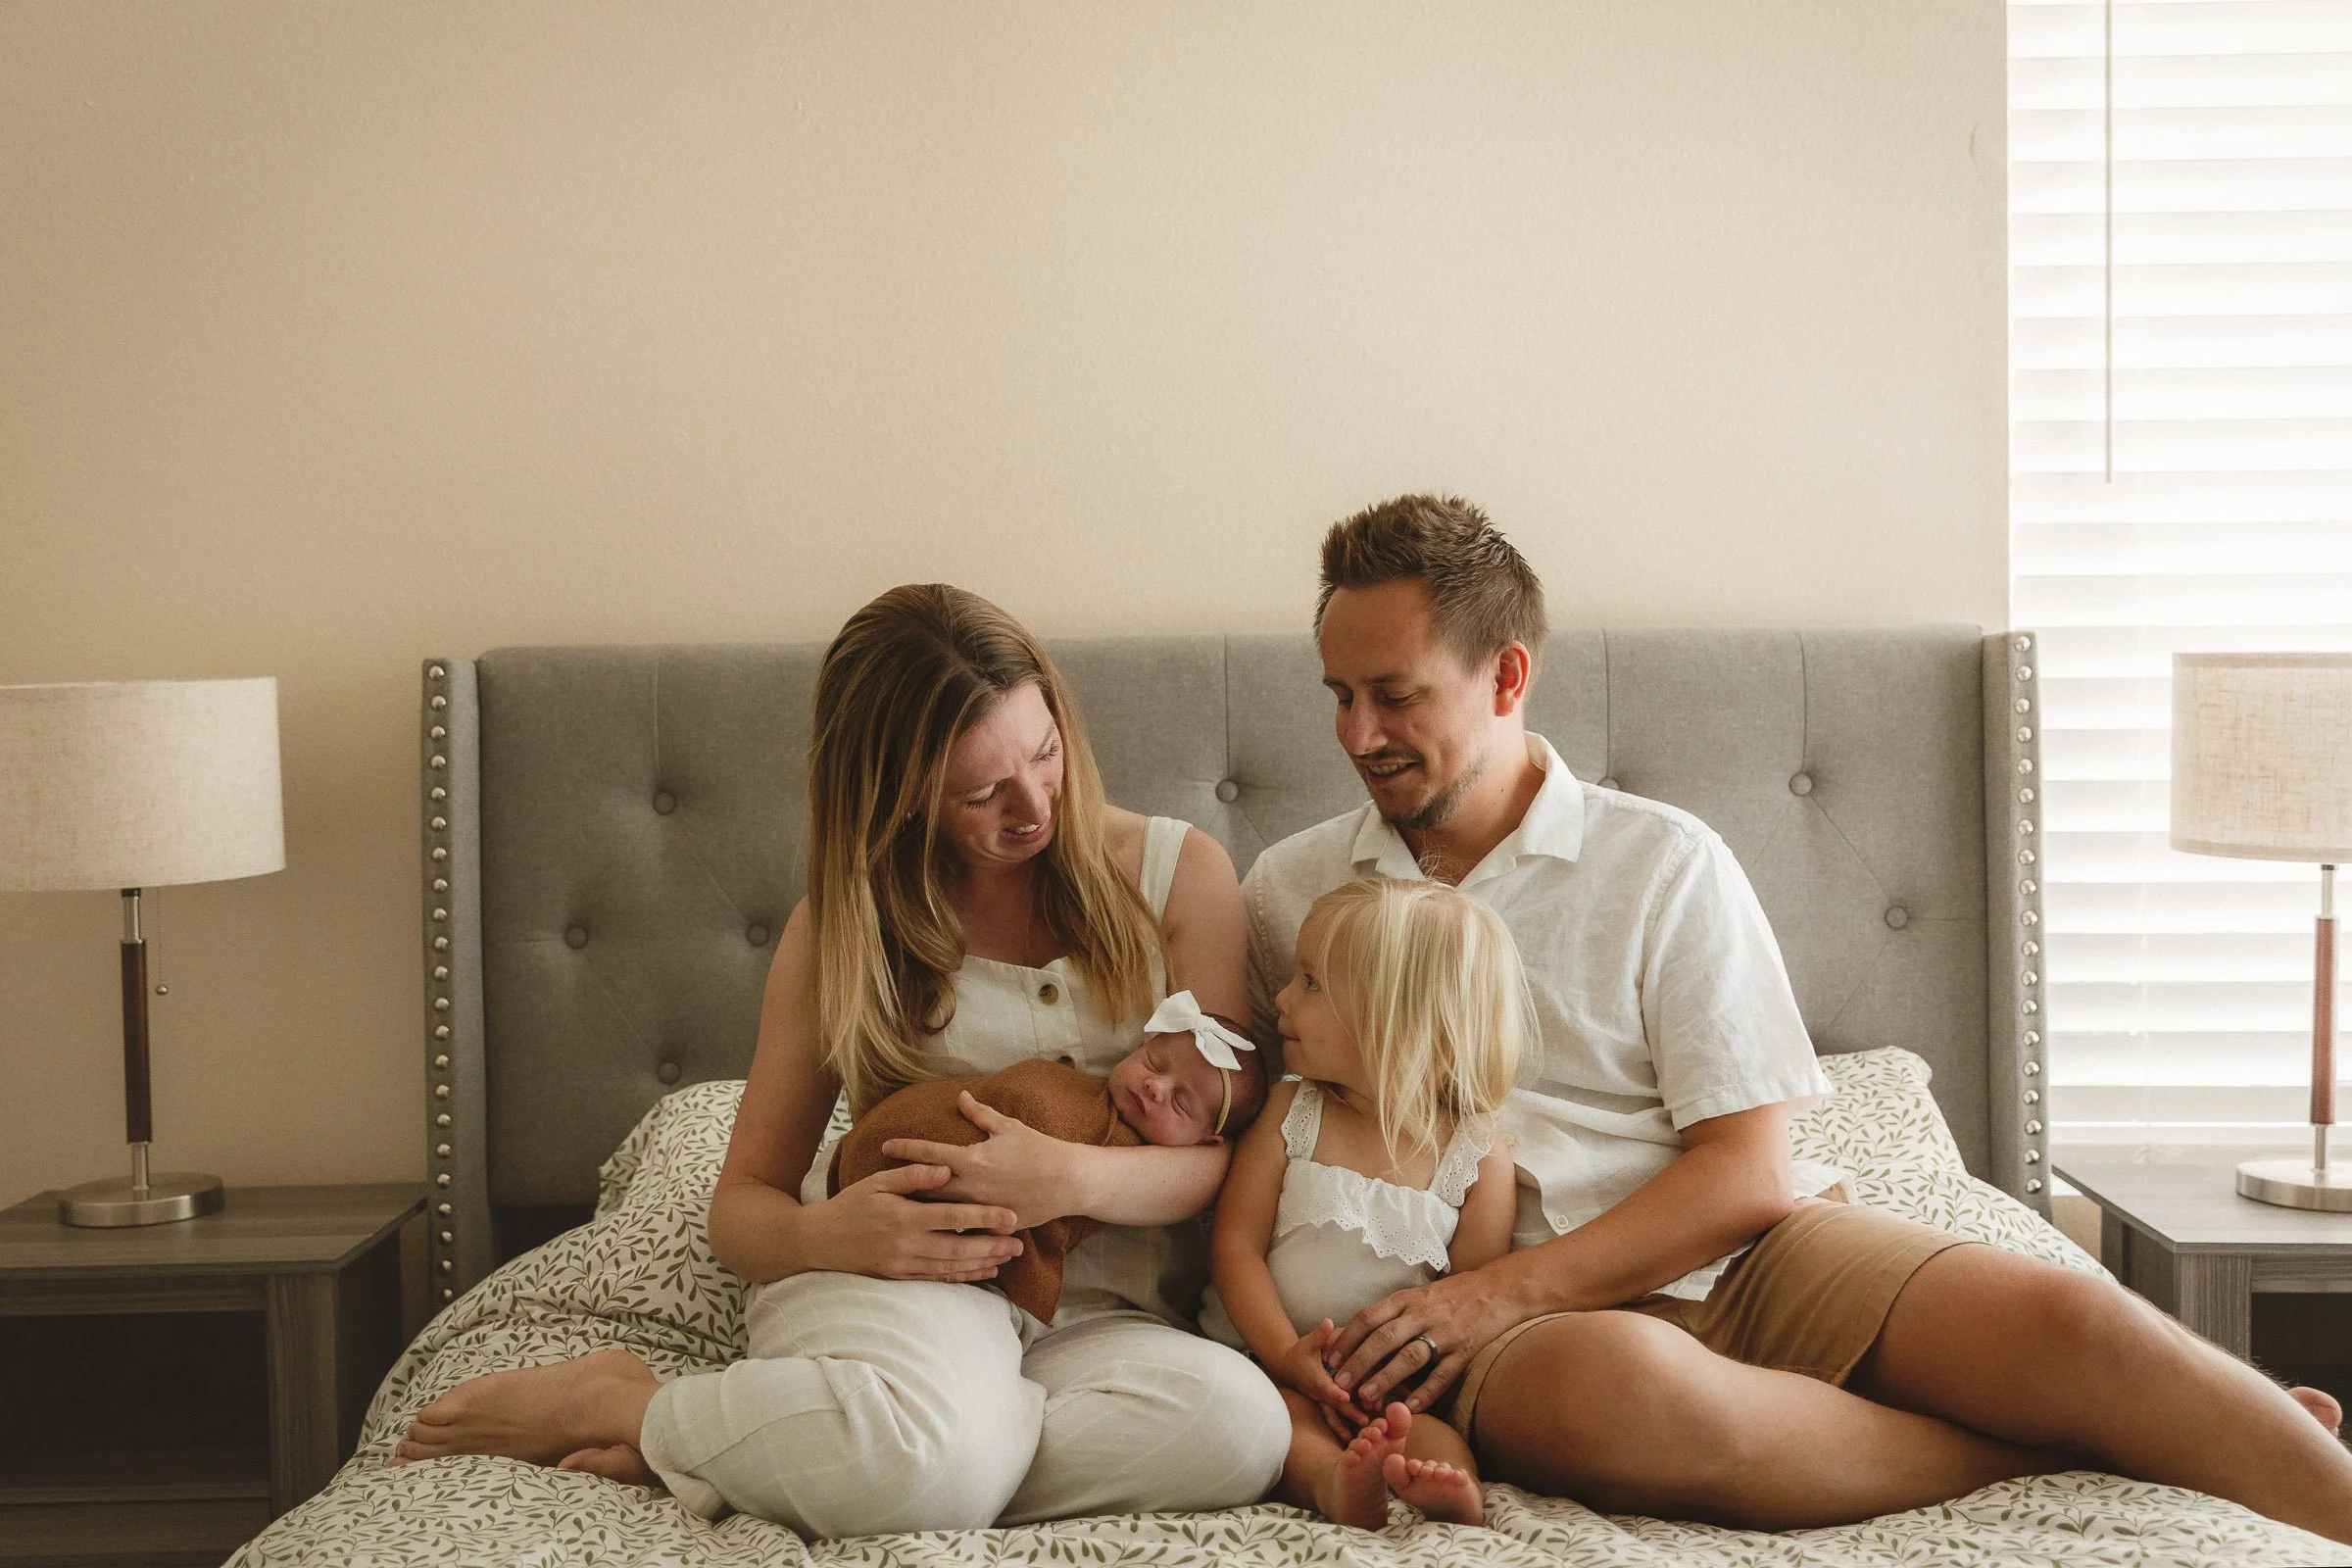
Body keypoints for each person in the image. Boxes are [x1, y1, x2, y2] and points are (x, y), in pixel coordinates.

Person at [1242, 494, 2352, 1544]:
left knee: (2082, 1322)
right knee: (1635, 1396)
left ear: (1507, 675)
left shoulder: (1660, 860)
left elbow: (1748, 1170)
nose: (1358, 731)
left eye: (1395, 694)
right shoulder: (1293, 889)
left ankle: (2275, 1466)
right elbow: (1245, 1135)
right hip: (1535, 1337)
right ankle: (2069, 1458)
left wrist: (1493, 1295)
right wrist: (1474, 1304)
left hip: (1744, 1253)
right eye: (1338, 694)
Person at [392, 583, 1289, 1538]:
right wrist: (842, 1238)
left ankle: (888, 1446)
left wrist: (1069, 1175)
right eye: (983, 792)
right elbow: (743, 1206)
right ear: (900, 793)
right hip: (904, 1286)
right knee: (931, 1464)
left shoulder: (1177, 874)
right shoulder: (841, 932)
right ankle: (622, 1401)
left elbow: (1221, 1156)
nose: (1034, 803)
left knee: (1241, 1429)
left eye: (1045, 753)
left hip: (1111, 1317)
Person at [1203, 876, 1522, 1531]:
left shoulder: (1478, 1156)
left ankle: (1450, 1489)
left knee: (1423, 1433)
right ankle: (1333, 1483)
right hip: (1270, 1359)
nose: (1280, 999)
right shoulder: (1295, 1113)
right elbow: (1235, 1248)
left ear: (1396, 1016)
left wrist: (1402, 1383)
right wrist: (1285, 1354)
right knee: (1280, 1421)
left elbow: (1471, 1299)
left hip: (1387, 1386)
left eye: (1311, 984)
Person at [829, 992, 1271, 1322]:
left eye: (1181, 1103)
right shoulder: (1073, 1086)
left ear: (1207, 1144)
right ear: (1138, 1047)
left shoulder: (1130, 1152)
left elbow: (1040, 1229)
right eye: (1154, 1063)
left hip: (890, 1195)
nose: (1157, 1087)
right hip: (870, 1192)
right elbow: (1020, 1093)